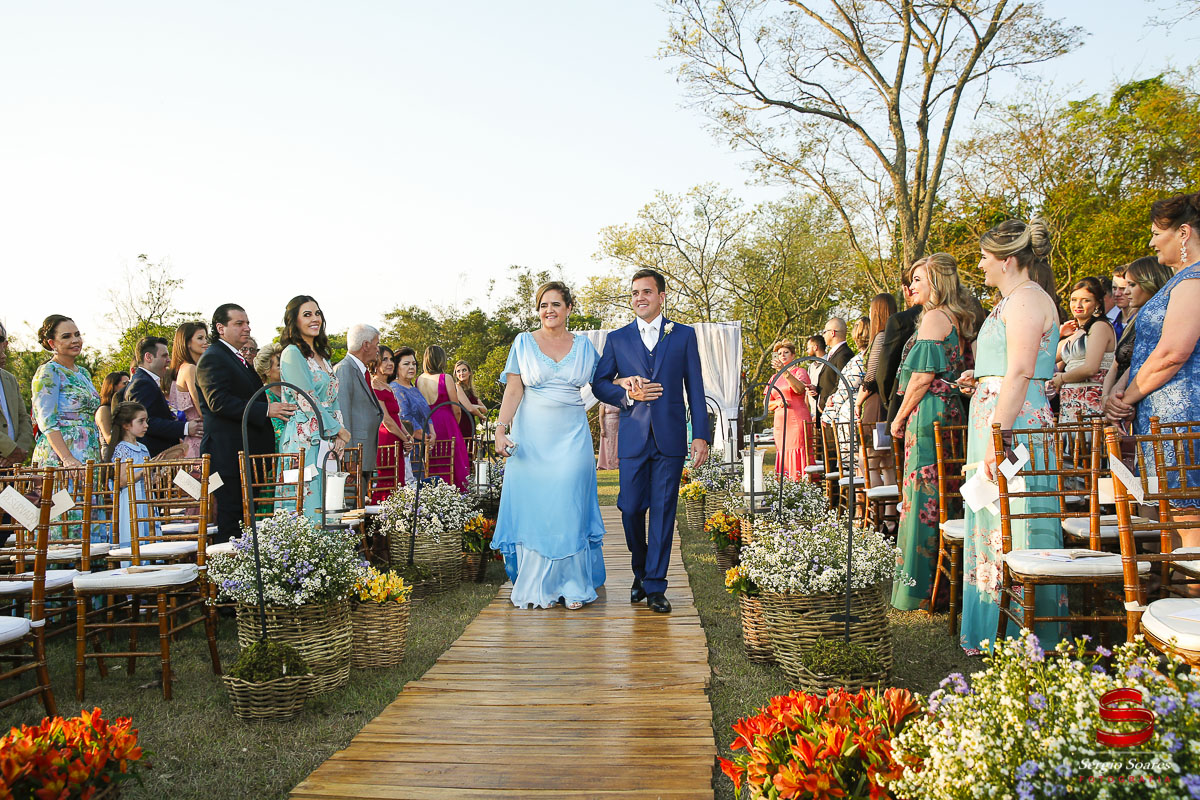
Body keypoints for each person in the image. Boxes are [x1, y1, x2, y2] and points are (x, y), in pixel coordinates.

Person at [958, 218, 1065, 654]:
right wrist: (980, 377)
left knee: (1018, 518)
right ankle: (992, 627)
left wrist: (995, 440)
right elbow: (1007, 366)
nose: (980, 266)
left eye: (984, 257)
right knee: (992, 516)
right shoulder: (1011, 301)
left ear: (1007, 260)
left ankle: (1026, 637)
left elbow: (1021, 372)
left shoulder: (1025, 300)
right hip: (999, 411)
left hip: (1015, 423)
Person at [592, 268, 710, 614]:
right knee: (629, 508)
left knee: (662, 512)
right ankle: (640, 570)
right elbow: (599, 384)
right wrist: (625, 390)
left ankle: (656, 586)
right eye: (633, 293)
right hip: (633, 438)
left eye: (646, 292)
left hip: (671, 437)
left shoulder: (683, 335)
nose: (639, 298)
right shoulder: (618, 339)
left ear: (661, 296)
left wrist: (700, 434)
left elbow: (696, 390)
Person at [491, 281, 606, 609]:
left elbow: (604, 383)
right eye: (543, 304)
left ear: (569, 308)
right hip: (531, 441)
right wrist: (500, 429)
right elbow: (513, 389)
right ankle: (537, 584)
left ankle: (573, 584)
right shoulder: (523, 343)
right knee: (538, 508)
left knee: (568, 504)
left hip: (572, 439)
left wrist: (626, 383)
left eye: (556, 304)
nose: (549, 310)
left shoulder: (584, 347)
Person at [1106, 191, 1200, 529]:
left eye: (1158, 234)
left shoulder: (1194, 281)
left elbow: (1173, 352)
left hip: (1183, 417)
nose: (1152, 242)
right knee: (1172, 523)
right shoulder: (1180, 280)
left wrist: (1126, 398)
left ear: (1184, 233)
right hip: (1162, 415)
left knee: (1188, 523)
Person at [888, 254, 972, 611]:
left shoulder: (936, 317)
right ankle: (943, 587)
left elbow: (921, 378)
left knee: (923, 497)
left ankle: (919, 590)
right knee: (943, 495)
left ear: (937, 282)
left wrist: (899, 417)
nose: (912, 287)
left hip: (927, 415)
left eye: (918, 280)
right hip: (950, 412)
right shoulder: (955, 317)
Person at [196, 303, 296, 542]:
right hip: (227, 454)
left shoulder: (235, 358)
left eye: (248, 323)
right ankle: (229, 574)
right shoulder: (213, 358)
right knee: (232, 517)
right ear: (220, 328)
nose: (247, 328)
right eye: (239, 323)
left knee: (246, 517)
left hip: (248, 454)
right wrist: (266, 409)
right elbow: (218, 402)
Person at [278, 296, 352, 520]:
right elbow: (306, 399)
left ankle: (333, 552)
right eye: (307, 314)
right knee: (308, 500)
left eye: (317, 313)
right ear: (294, 321)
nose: (315, 319)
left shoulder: (322, 355)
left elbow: (333, 397)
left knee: (331, 501)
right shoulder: (292, 353)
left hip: (328, 437)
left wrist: (340, 433)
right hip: (304, 439)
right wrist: (337, 429)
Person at [31, 315, 103, 468]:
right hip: (61, 456)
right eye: (66, 336)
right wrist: (67, 458)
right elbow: (46, 421)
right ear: (52, 343)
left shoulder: (83, 373)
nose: (75, 340)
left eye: (77, 334)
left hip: (89, 450)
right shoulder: (48, 371)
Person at [1102, 257, 1174, 404]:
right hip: (1126, 399)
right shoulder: (1136, 319)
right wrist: (1106, 397)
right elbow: (1117, 365)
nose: (1125, 293)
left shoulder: (1166, 318)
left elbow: (1151, 361)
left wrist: (1123, 399)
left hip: (1154, 400)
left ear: (1152, 283)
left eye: (1131, 285)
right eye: (1116, 288)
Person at [1050, 277, 1115, 424]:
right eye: (1074, 300)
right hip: (1069, 403)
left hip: (1091, 404)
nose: (1077, 305)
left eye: (1085, 300)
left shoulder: (1100, 327)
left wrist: (1061, 378)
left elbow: (1090, 368)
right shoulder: (1075, 333)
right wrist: (1058, 334)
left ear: (1098, 303)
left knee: (1090, 445)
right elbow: (1046, 358)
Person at [125, 336, 192, 457]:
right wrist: (185, 427)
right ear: (148, 357)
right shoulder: (142, 383)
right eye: (164, 356)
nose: (169, 360)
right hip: (153, 455)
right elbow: (146, 421)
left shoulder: (146, 381)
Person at [334, 324, 385, 477]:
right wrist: (349, 456)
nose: (378, 349)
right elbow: (343, 412)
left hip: (364, 453)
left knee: (360, 500)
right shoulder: (344, 369)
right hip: (354, 456)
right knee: (351, 499)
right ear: (366, 345)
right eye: (376, 344)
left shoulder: (360, 371)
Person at [417, 345, 471, 491]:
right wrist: (455, 426)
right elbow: (456, 408)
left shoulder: (418, 380)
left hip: (427, 425)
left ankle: (433, 493)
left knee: (432, 460)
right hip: (447, 424)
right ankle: (457, 492)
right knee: (454, 460)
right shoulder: (445, 378)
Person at [858, 293, 898, 487]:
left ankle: (877, 510)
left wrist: (858, 402)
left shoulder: (881, 337)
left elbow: (871, 376)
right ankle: (890, 516)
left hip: (875, 403)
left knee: (868, 462)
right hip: (888, 402)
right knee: (887, 463)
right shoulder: (896, 336)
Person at [106, 401, 158, 545]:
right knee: (134, 533)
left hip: (145, 496)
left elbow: (148, 477)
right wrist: (144, 471)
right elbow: (122, 481)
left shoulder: (143, 447)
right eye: (141, 421)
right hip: (130, 499)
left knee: (148, 532)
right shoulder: (122, 448)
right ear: (126, 425)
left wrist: (156, 474)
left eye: (146, 421)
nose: (146, 425)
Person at [880, 268, 924, 427]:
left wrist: (889, 400)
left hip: (905, 401)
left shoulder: (899, 321)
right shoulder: (970, 313)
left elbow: (885, 368)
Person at [765, 339, 814, 480]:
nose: (782, 355)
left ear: (793, 355)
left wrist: (785, 372)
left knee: (799, 449)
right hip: (780, 423)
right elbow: (767, 402)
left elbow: (799, 389)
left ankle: (802, 482)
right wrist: (778, 402)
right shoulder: (773, 378)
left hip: (797, 419)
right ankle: (785, 486)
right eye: (779, 353)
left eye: (786, 352)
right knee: (783, 451)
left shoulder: (800, 372)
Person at [369, 345, 412, 501]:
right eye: (384, 359)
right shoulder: (373, 385)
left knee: (398, 480)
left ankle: (397, 513)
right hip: (386, 439)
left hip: (396, 437)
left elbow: (396, 417)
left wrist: (407, 435)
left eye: (391, 359)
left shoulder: (388, 386)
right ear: (375, 362)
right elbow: (386, 419)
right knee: (387, 480)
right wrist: (404, 438)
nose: (390, 363)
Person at [168, 321, 210, 459]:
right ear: (187, 343)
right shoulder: (190, 369)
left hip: (194, 438)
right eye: (200, 338)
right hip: (199, 438)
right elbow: (202, 408)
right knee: (204, 480)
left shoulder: (182, 368)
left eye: (206, 338)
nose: (205, 342)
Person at [391, 346, 433, 479]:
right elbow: (405, 419)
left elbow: (427, 412)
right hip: (410, 444)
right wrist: (425, 436)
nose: (411, 367)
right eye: (406, 364)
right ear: (397, 367)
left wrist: (433, 433)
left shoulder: (414, 388)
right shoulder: (395, 388)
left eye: (414, 364)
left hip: (424, 443)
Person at [0, 320, 34, 467]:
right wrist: (11, 450)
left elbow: (24, 419)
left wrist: (20, 450)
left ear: (5, 344)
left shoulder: (10, 379)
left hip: (11, 465)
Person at [828, 317, 870, 425]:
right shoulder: (860, 357)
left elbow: (847, 388)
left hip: (852, 415)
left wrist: (828, 415)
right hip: (849, 414)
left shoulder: (861, 359)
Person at [815, 317, 852, 417]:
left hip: (833, 412)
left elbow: (842, 383)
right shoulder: (832, 354)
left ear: (832, 333)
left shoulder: (844, 354)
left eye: (824, 332)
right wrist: (815, 390)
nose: (823, 335)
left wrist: (824, 403)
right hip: (826, 413)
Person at [253, 342, 288, 447]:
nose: (285, 368)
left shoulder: (293, 392)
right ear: (267, 371)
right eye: (279, 365)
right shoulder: (262, 397)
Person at [454, 359, 488, 452]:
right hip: (461, 424)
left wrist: (476, 407)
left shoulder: (471, 390)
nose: (461, 373)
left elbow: (485, 409)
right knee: (463, 452)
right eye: (458, 371)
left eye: (464, 370)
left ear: (469, 372)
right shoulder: (457, 387)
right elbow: (470, 408)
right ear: (456, 375)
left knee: (470, 453)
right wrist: (480, 415)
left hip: (470, 425)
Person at [94, 371, 128, 450]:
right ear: (113, 387)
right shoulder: (104, 410)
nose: (128, 387)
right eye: (125, 383)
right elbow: (109, 438)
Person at [597, 402, 621, 470]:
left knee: (616, 444)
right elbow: (601, 416)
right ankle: (606, 464)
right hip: (607, 426)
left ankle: (616, 464)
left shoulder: (617, 401)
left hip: (617, 426)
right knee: (607, 444)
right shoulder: (603, 403)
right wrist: (602, 429)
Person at [1108, 269, 1129, 340]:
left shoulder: (1145, 322)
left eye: (1123, 288)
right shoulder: (1110, 322)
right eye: (1114, 288)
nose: (1117, 294)